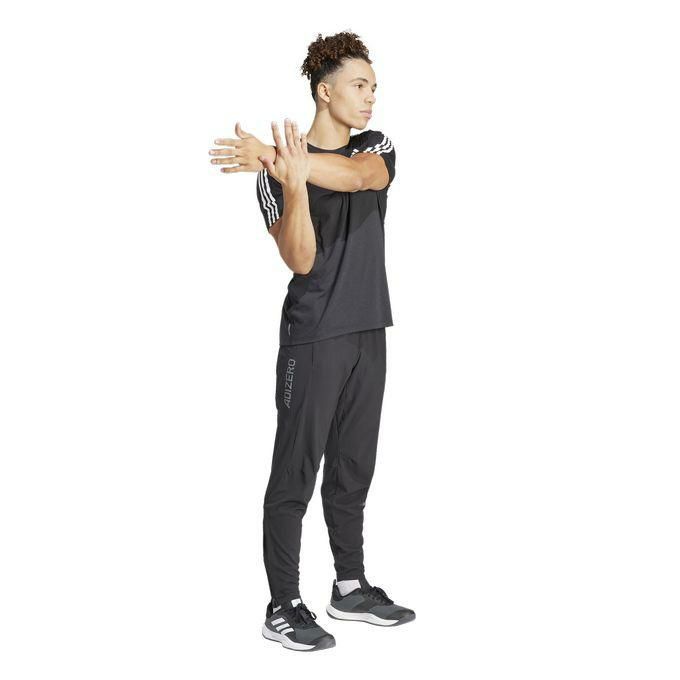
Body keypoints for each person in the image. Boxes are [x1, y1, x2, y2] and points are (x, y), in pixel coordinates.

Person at [210, 31, 414, 652]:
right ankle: (282, 605)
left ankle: (349, 586)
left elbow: (358, 177)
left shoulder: (375, 146)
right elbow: (300, 258)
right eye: (360, 85)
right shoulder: (274, 177)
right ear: (325, 92)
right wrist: (290, 179)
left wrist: (280, 158)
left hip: (368, 328)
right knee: (295, 472)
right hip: (314, 336)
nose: (371, 97)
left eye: (374, 86)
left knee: (354, 467)